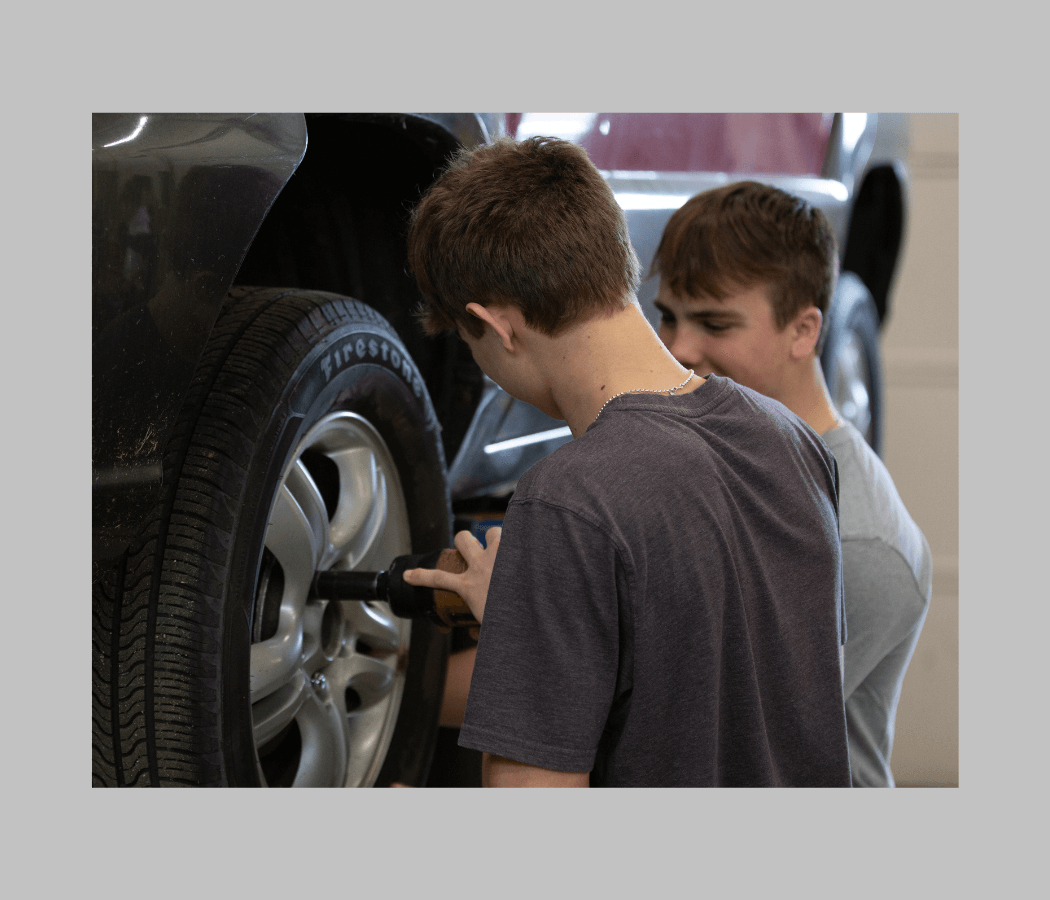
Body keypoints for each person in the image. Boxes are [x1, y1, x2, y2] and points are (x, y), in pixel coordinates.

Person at [402, 137, 852, 787]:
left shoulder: (566, 501)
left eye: (470, 344)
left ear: (495, 326)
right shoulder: (794, 443)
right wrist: (534, 618)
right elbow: (751, 697)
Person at [650, 180, 932, 787]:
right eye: (668, 318)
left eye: (714, 325)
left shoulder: (857, 539)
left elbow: (706, 742)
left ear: (804, 331)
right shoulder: (715, 459)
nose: (678, 349)